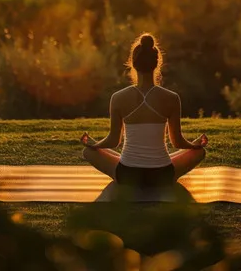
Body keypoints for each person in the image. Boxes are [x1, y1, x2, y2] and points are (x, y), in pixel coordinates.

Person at [80, 33, 207, 188]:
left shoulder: (118, 97)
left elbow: (114, 141)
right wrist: (194, 146)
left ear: (133, 63)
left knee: (88, 152)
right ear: (157, 63)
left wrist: (95, 145)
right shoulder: (171, 98)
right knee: (199, 153)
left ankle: (104, 152)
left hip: (128, 175)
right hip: (162, 175)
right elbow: (177, 142)